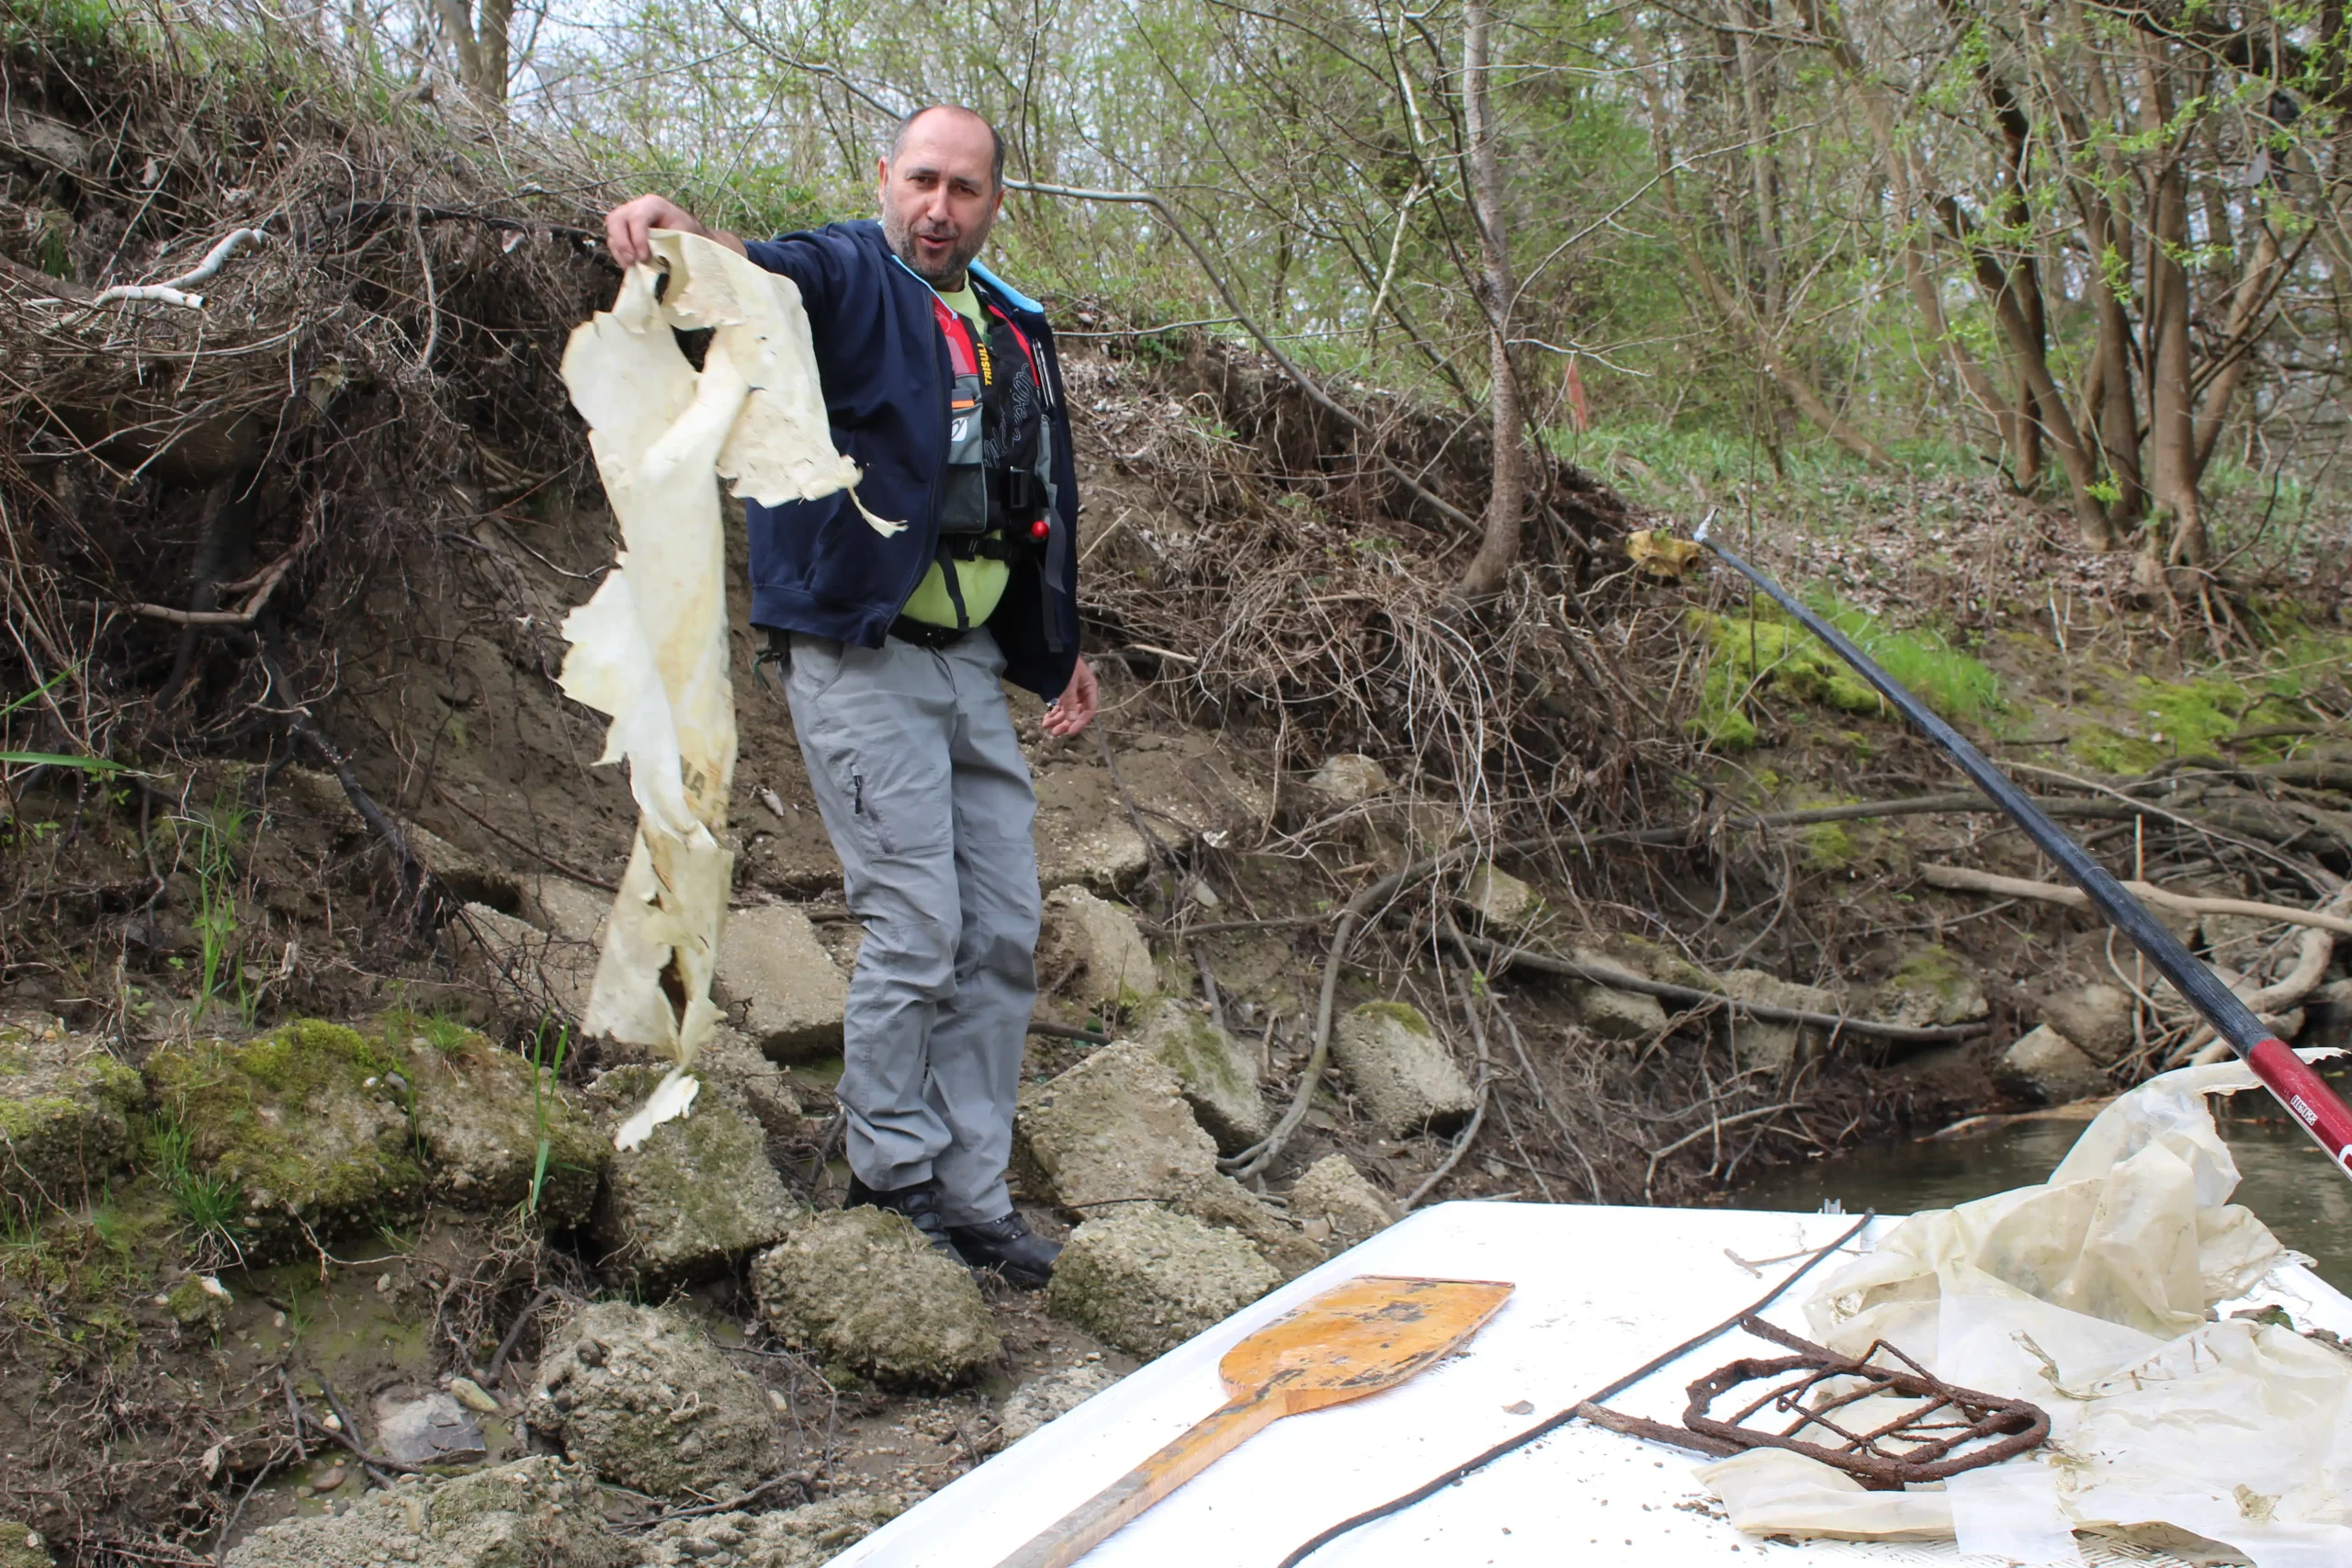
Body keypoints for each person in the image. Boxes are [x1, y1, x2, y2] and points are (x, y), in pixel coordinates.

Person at [604, 105, 1095, 1288]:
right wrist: (682, 239)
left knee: (1007, 933)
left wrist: (1058, 645)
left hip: (974, 662)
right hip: (860, 656)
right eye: (922, 180)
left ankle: (973, 1194)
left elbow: (1037, 496)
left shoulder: (1013, 326)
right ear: (887, 178)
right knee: (921, 925)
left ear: (993, 202)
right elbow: (754, 281)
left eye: (966, 189)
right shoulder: (845, 275)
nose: (940, 207)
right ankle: (892, 1178)